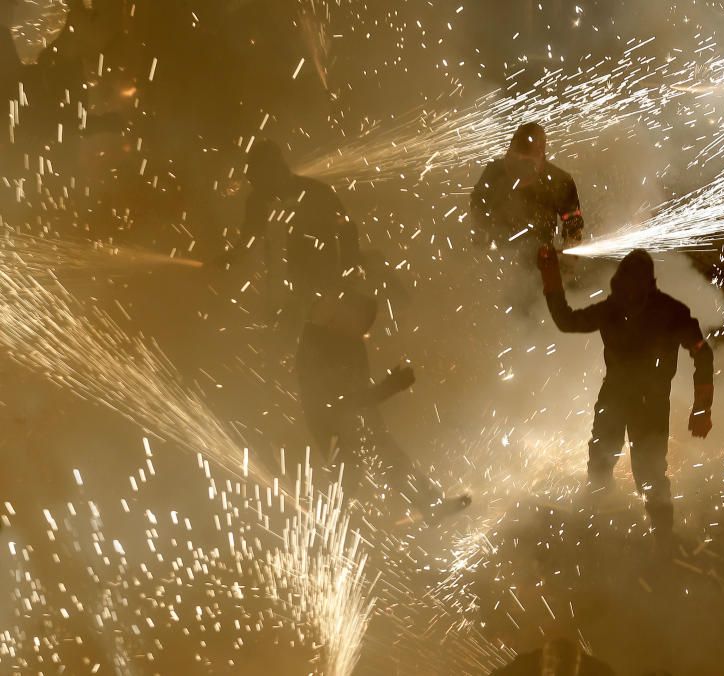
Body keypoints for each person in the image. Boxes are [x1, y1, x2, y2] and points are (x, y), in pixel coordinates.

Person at [536, 245, 714, 549]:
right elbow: (567, 321)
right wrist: (550, 272)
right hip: (618, 399)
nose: (628, 298)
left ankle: (663, 542)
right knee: (603, 463)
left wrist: (702, 408)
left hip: (647, 404)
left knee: (650, 474)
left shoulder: (670, 312)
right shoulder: (616, 308)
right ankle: (592, 531)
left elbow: (703, 354)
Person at [295, 290, 469, 522]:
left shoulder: (352, 343)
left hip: (356, 423)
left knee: (391, 461)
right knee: (345, 484)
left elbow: (358, 395)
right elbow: (338, 402)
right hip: (330, 427)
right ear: (343, 315)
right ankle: (320, 535)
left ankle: (431, 505)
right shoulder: (315, 345)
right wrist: (389, 387)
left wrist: (382, 402)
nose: (363, 331)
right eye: (360, 324)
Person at [217, 139, 361, 307]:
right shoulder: (257, 201)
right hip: (279, 290)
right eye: (253, 181)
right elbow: (248, 241)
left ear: (276, 170)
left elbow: (347, 228)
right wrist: (223, 263)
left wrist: (348, 268)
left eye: (259, 180)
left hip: (322, 286)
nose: (256, 186)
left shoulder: (316, 193)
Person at [471, 123, 584, 261]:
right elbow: (478, 202)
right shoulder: (494, 171)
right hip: (497, 254)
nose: (520, 167)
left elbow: (572, 223)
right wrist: (481, 236)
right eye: (516, 159)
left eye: (526, 161)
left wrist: (568, 260)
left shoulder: (559, 181)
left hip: (540, 256)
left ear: (540, 156)